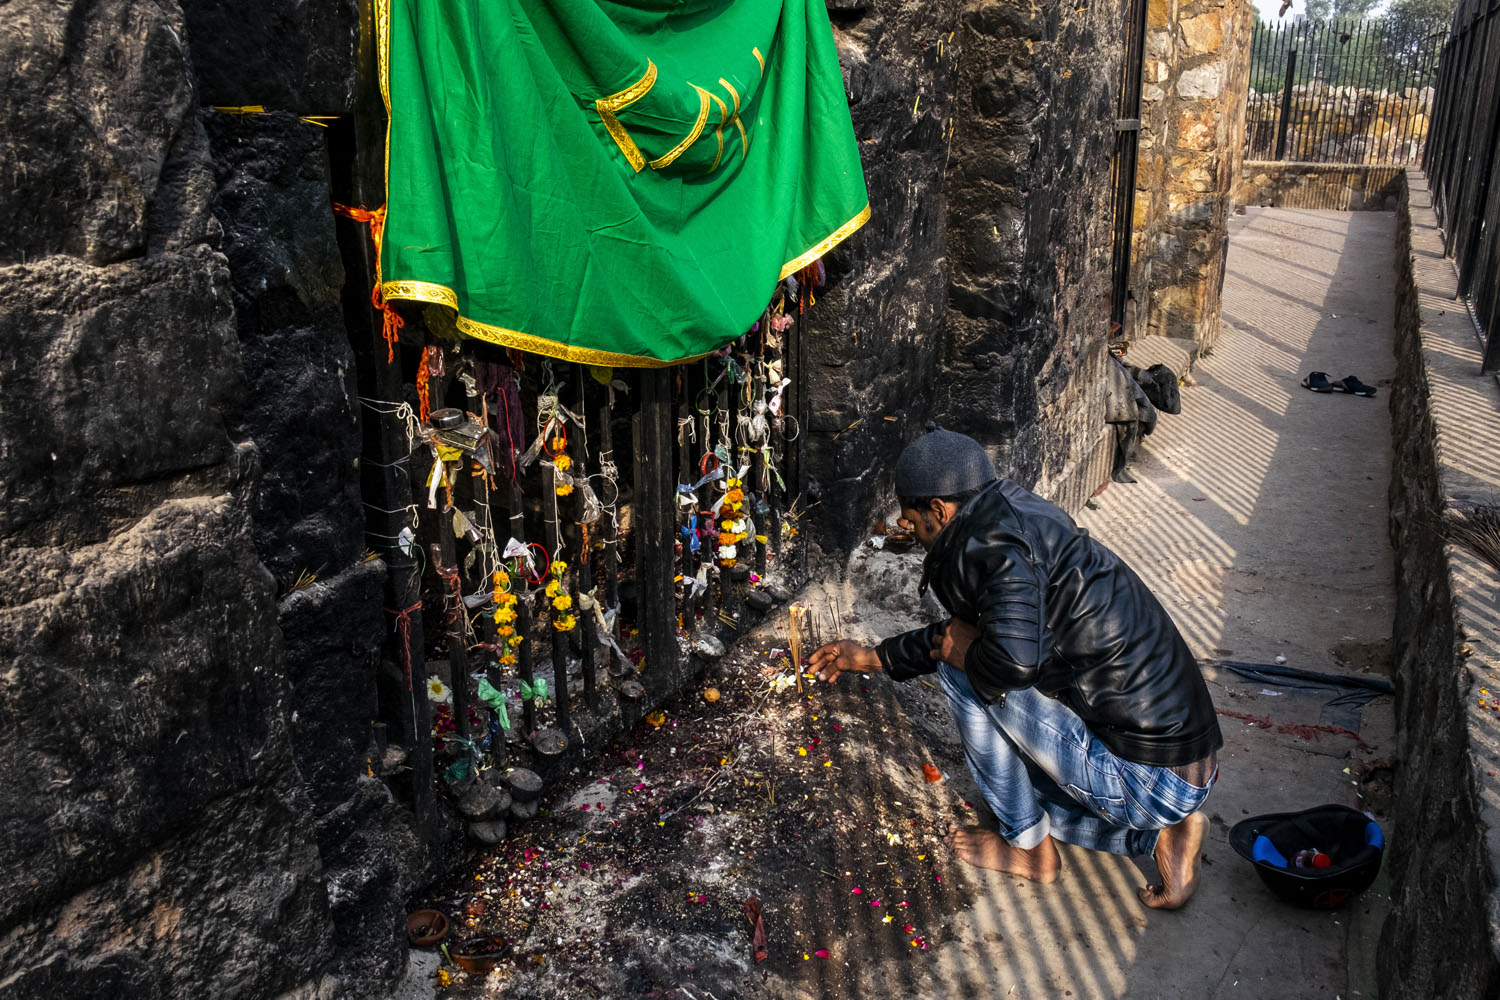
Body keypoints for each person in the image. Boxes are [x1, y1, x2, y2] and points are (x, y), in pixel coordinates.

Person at [809, 425, 1222, 909]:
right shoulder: (1010, 512)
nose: (915, 537)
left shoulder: (996, 552)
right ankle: (1160, 837)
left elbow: (1003, 661)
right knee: (1036, 793)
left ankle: (1028, 849)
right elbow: (967, 634)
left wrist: (959, 654)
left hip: (1150, 780)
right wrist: (874, 657)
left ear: (939, 511)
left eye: (914, 524)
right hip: (1190, 763)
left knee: (965, 674)